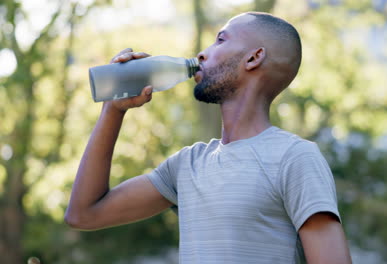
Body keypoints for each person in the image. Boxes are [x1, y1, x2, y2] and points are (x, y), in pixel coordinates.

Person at [65, 12, 352, 263]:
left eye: (220, 40)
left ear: (254, 57)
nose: (202, 53)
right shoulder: (187, 165)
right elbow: (84, 214)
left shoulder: (295, 157)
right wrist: (112, 110)